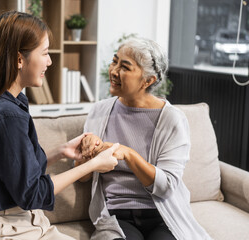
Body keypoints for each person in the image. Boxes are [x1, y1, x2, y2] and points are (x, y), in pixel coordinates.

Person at [0, 11, 120, 240]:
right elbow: (32, 193)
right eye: (45, 53)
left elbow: (14, 170)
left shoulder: (11, 102)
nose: (49, 61)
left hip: (18, 221)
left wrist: (61, 151)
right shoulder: (6, 115)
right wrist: (93, 164)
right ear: (19, 59)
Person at [77, 37, 212, 240]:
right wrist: (88, 154)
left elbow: (166, 186)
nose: (114, 71)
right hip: (117, 216)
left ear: (148, 81)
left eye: (125, 67)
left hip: (163, 215)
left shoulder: (172, 120)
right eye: (115, 62)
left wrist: (129, 154)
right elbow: (83, 176)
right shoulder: (99, 112)